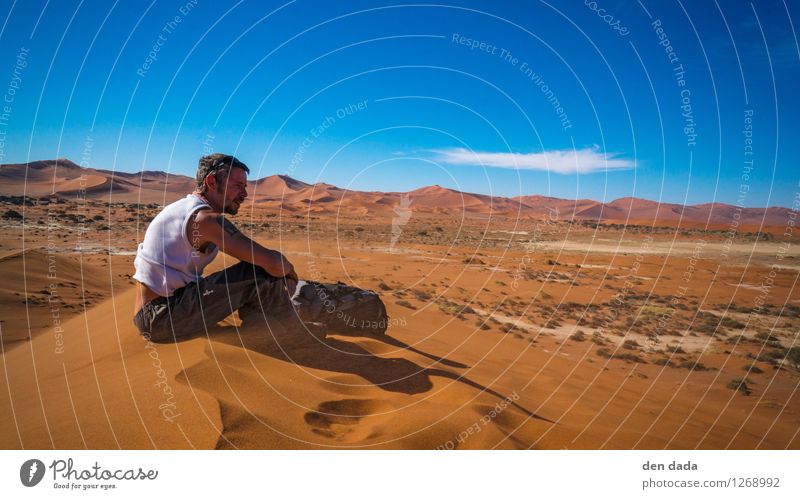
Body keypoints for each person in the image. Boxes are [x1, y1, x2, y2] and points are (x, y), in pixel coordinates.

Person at [132, 153, 310, 344]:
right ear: (211, 181)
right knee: (257, 271)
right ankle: (290, 334)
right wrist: (289, 271)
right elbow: (273, 262)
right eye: (237, 186)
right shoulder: (203, 219)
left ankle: (266, 331)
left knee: (257, 272)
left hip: (162, 312)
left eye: (244, 187)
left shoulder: (186, 209)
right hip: (161, 317)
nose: (244, 194)